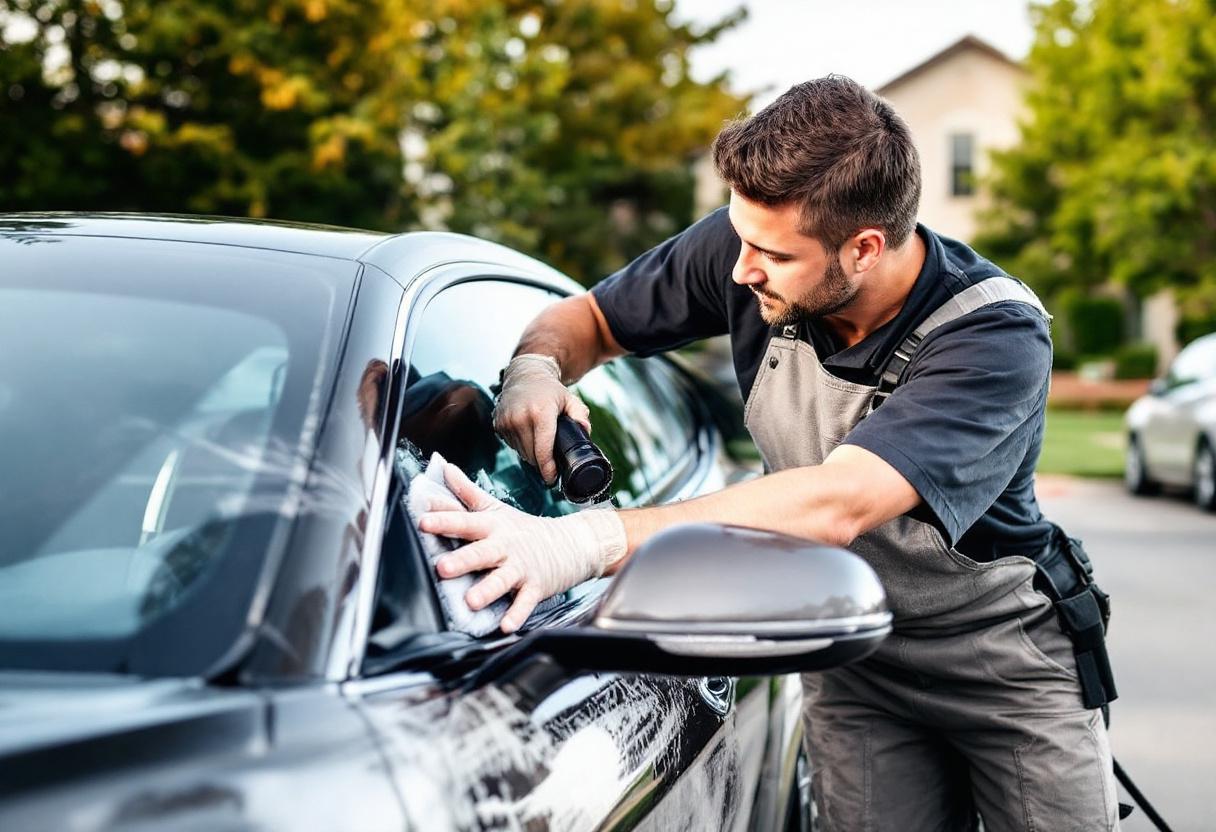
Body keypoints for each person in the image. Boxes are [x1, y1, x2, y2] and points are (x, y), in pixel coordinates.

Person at [416, 76, 1119, 830]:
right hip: (855, 658)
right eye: (739, 237)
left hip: (1002, 663)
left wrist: (581, 541)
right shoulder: (749, 243)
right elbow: (585, 318)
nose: (741, 269)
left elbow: (836, 503)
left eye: (771, 255)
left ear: (864, 248)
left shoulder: (994, 337)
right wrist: (537, 368)